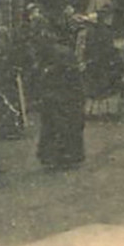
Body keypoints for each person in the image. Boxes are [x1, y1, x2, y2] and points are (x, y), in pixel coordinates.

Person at [34, 38, 86, 170]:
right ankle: (63, 156)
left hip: (63, 96)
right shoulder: (58, 54)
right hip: (62, 96)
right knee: (59, 125)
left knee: (59, 125)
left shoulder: (58, 57)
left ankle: (59, 156)